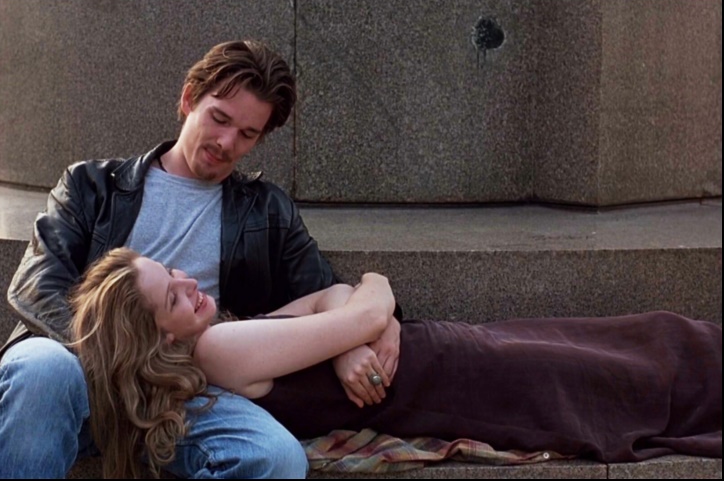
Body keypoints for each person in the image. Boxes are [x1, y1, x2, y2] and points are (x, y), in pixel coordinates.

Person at [0, 39, 403, 479]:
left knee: (276, 458)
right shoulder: (91, 185)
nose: (226, 142)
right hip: (81, 372)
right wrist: (122, 360)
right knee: (39, 368)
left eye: (247, 134)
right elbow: (36, 286)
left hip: (186, 392)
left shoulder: (266, 211)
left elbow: (328, 290)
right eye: (219, 118)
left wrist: (371, 326)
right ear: (189, 99)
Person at [70, 247, 722, 478]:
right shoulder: (217, 351)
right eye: (172, 297)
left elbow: (329, 298)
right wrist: (374, 295)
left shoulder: (220, 338)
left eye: (173, 272)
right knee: (633, 375)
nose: (189, 283)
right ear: (156, 340)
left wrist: (352, 334)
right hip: (459, 382)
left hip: (452, 356)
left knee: (630, 346)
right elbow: (357, 309)